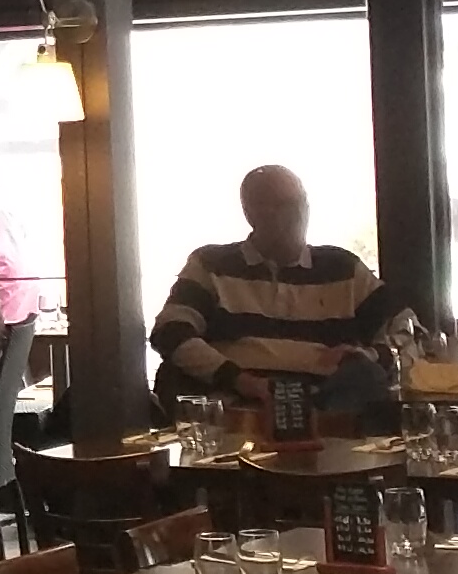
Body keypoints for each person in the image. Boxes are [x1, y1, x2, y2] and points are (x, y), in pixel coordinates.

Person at [151, 167, 417, 412]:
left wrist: (371, 355)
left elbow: (409, 330)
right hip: (236, 404)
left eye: (300, 203)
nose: (297, 215)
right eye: (281, 206)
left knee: (366, 376)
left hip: (326, 403)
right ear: (250, 213)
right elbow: (170, 332)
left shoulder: (342, 268)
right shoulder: (212, 264)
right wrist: (239, 380)